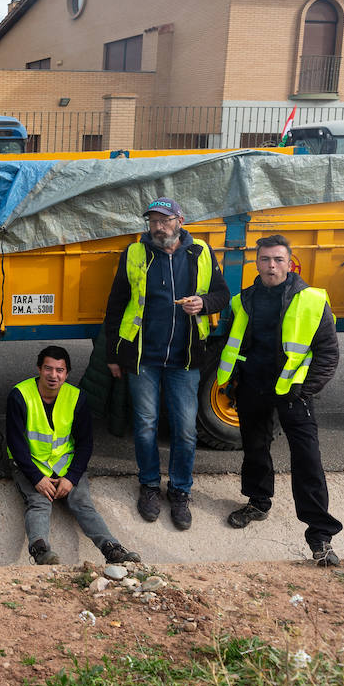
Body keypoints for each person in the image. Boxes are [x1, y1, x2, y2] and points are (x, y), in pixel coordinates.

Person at [102, 197, 230, 530]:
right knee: (145, 426)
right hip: (144, 358)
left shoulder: (200, 252)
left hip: (185, 359)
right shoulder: (135, 253)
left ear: (180, 220)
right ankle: (148, 487)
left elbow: (222, 295)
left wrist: (203, 304)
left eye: (164, 220)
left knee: (185, 430)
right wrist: (113, 355)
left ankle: (180, 491)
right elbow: (116, 306)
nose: (158, 227)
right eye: (153, 221)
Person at [217, 234, 343, 566]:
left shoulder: (312, 300)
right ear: (255, 263)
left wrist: (306, 389)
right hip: (252, 388)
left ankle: (320, 536)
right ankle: (258, 502)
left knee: (308, 460)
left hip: (293, 393)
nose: (271, 266)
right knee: (255, 450)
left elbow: (328, 353)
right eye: (265, 260)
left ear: (289, 263)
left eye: (278, 260)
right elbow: (229, 343)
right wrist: (231, 381)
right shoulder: (241, 300)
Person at [7, 346, 141, 566]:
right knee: (39, 502)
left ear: (66, 374)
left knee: (82, 503)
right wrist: (36, 478)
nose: (53, 375)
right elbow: (15, 442)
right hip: (30, 465)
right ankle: (41, 551)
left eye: (59, 370)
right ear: (39, 369)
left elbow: (85, 443)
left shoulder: (76, 397)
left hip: (64, 465)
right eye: (48, 369)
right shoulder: (19, 395)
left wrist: (71, 477)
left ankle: (113, 550)